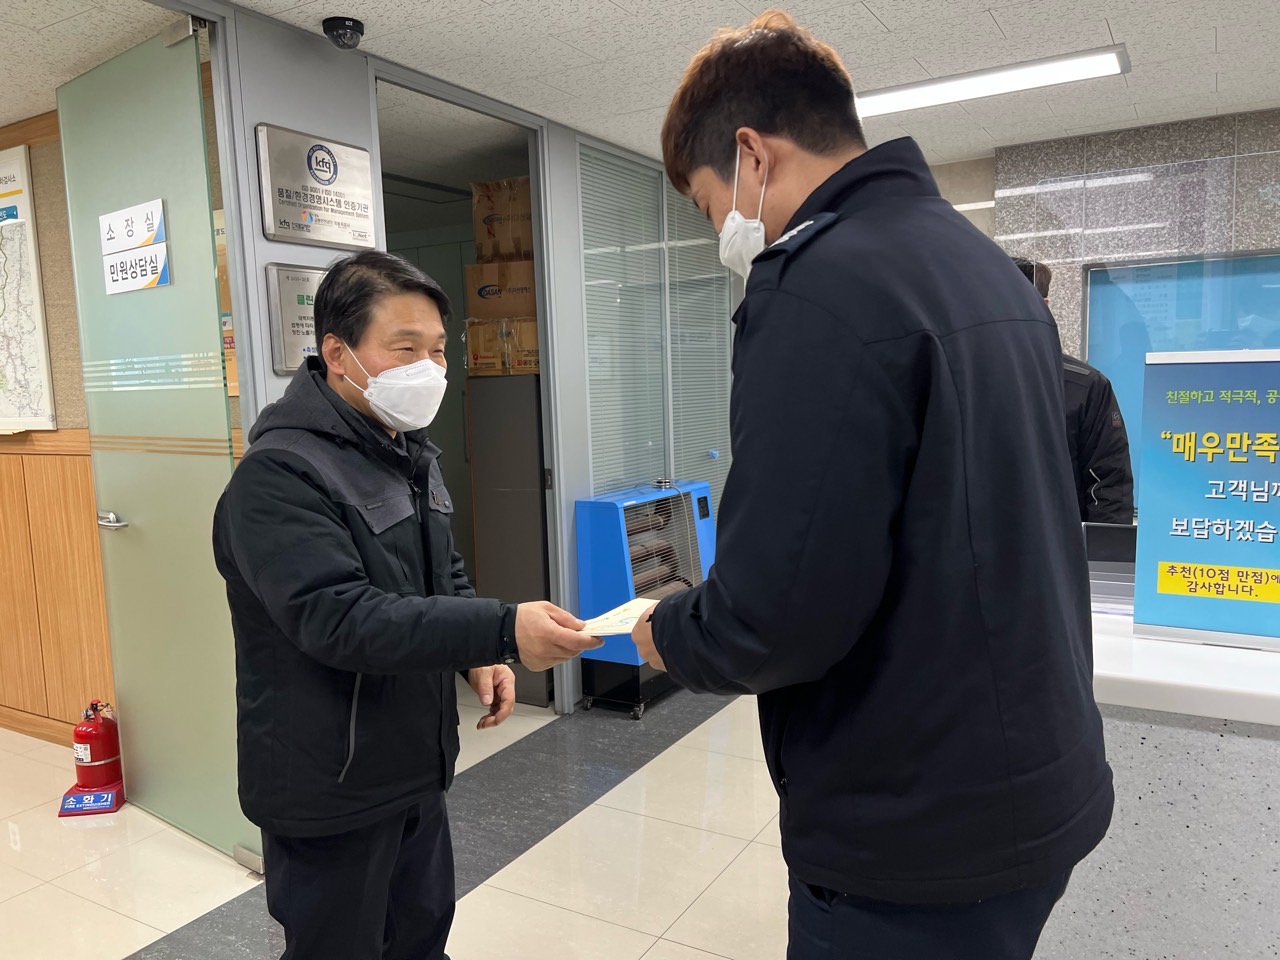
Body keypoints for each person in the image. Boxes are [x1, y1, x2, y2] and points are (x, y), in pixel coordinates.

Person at [631, 11, 1113, 960]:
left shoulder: (816, 286)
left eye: (709, 205)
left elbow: (776, 613)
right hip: (1034, 786)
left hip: (912, 831)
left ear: (751, 154)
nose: (722, 231)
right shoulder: (985, 268)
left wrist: (672, 634)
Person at [212, 250, 600, 960]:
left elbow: (438, 570)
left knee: (421, 938)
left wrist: (477, 655)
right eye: (405, 348)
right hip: (329, 785)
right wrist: (501, 628)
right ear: (338, 354)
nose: (430, 368)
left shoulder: (406, 451)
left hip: (413, 766)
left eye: (438, 350)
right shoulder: (280, 477)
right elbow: (341, 618)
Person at [1012, 256, 1134, 524]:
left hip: (1057, 544)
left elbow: (1109, 487)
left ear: (1043, 306)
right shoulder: (961, 378)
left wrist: (1102, 548)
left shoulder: (1084, 385)